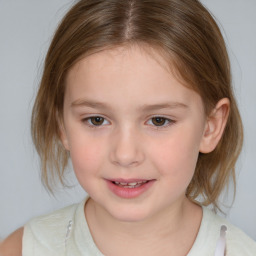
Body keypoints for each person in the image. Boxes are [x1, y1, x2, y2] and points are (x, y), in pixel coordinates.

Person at [1, 0, 256, 255]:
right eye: (97, 120)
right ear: (61, 124)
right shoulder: (21, 250)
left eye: (159, 120)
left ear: (210, 127)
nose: (125, 155)